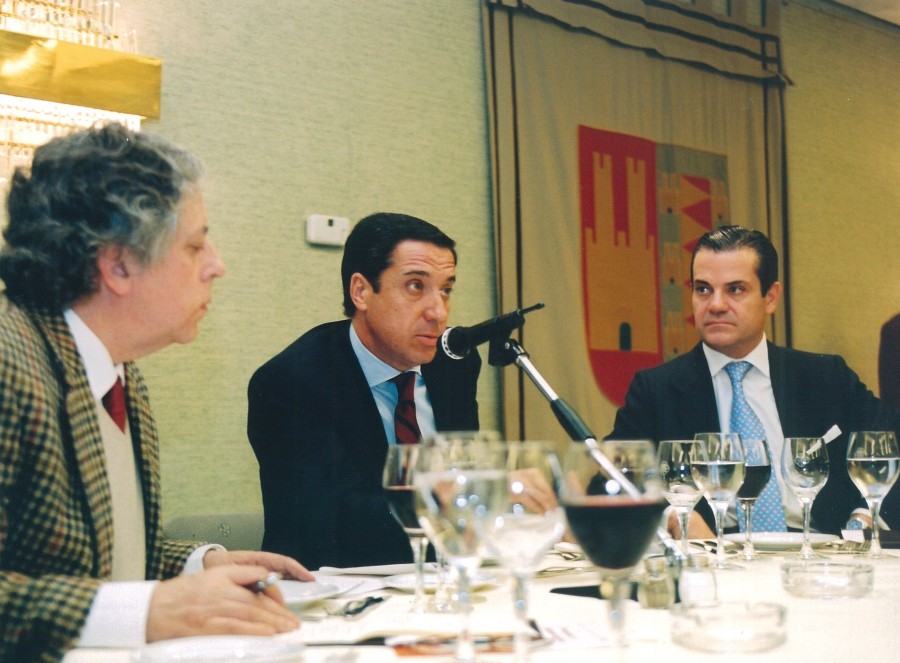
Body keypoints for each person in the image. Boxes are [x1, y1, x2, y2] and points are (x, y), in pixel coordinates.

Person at [0, 124, 312, 662]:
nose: (217, 265)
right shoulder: (9, 363)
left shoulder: (120, 371)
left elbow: (87, 563)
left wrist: (199, 566)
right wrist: (146, 611)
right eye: (195, 245)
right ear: (118, 266)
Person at [608, 225, 900, 537]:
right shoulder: (655, 391)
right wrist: (672, 516)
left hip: (819, 551)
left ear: (770, 298)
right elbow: (611, 483)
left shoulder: (825, 377)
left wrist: (863, 520)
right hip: (713, 551)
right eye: (703, 289)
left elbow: (893, 444)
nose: (716, 305)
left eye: (735, 289)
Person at [248, 212, 481, 570]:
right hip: (335, 588)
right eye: (415, 286)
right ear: (361, 292)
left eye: (446, 289)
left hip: (442, 578)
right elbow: (327, 521)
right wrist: (444, 498)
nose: (438, 312)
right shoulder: (292, 381)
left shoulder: (453, 365)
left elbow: (465, 476)